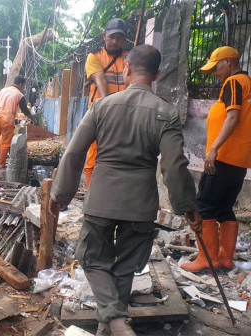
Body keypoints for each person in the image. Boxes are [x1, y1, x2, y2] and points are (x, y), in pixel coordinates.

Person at [49, 45, 202, 336]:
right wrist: (188, 208)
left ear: (126, 68)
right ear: (156, 75)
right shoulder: (166, 113)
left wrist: (60, 195)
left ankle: (115, 322)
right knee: (124, 268)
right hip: (140, 205)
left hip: (101, 201)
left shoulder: (103, 106)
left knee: (93, 260)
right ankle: (111, 327)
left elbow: (74, 154)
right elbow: (174, 167)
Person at [181, 46, 251, 273]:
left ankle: (207, 260)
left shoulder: (234, 82)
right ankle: (225, 259)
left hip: (224, 158)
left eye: (216, 67)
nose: (214, 74)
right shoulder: (246, 83)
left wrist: (213, 150)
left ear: (229, 62)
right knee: (224, 208)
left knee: (206, 205)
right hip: (238, 161)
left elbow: (232, 118)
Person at [84, 18, 129, 187]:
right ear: (104, 36)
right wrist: (109, 110)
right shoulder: (94, 58)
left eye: (119, 37)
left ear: (124, 39)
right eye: (111, 37)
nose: (115, 41)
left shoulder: (129, 58)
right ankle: (91, 196)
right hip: (100, 116)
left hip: (124, 117)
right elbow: (100, 81)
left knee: (120, 158)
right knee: (93, 158)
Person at [0, 76, 37, 168]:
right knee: (5, 143)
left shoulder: (3, 90)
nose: (23, 87)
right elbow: (25, 111)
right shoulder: (19, 95)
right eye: (23, 86)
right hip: (7, 120)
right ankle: (1, 164)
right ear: (21, 84)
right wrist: (33, 119)